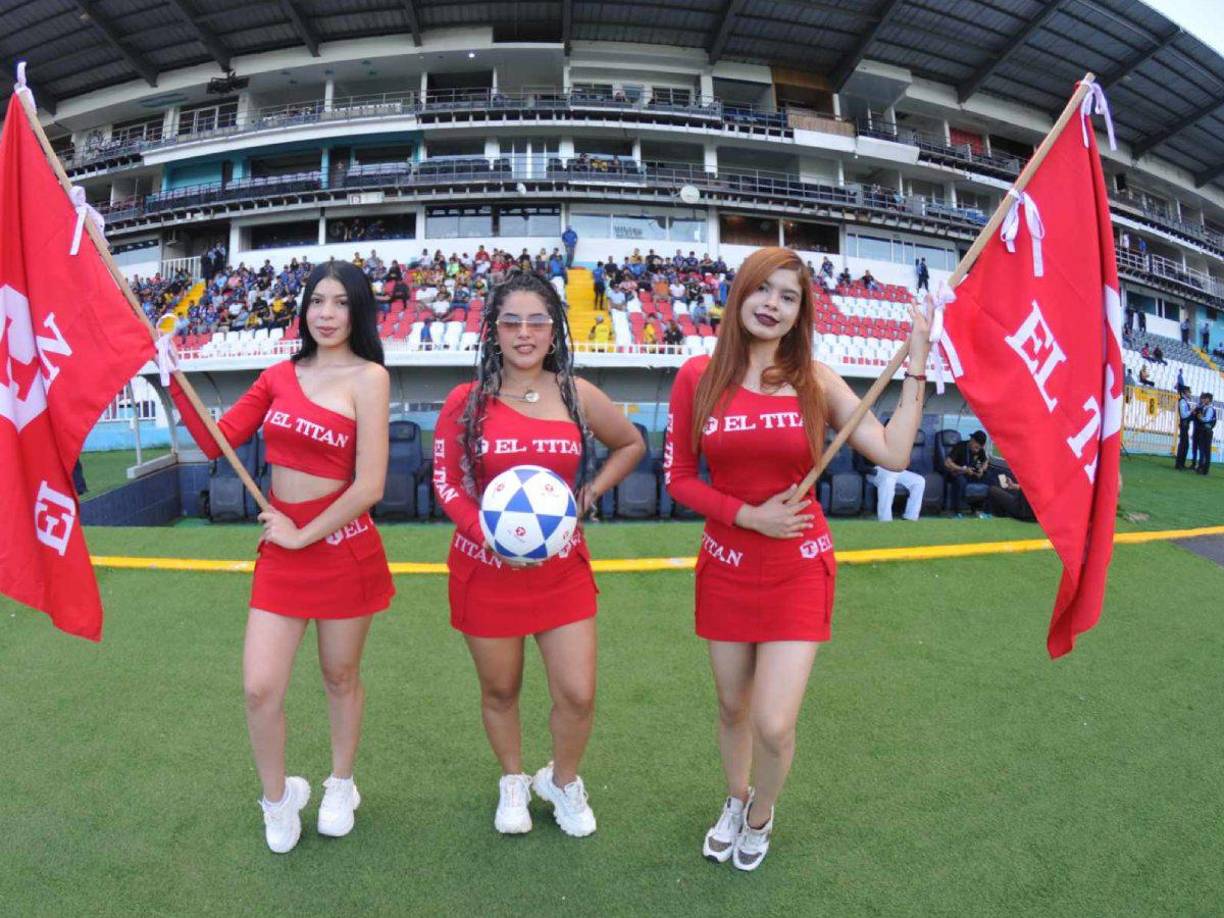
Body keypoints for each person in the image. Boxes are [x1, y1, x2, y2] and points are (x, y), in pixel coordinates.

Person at [663, 247, 931, 871]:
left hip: (798, 567)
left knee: (774, 724)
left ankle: (760, 813)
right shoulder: (696, 376)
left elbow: (892, 453)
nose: (772, 305)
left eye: (788, 296)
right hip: (727, 561)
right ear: (741, 296)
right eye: (763, 290)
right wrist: (747, 515)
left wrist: (916, 361)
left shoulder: (816, 378)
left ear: (800, 311)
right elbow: (678, 478)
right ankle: (734, 799)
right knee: (732, 707)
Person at [168, 261, 393, 853]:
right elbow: (216, 441)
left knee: (340, 677)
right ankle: (278, 798)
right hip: (285, 557)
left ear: (357, 311)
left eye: (340, 303)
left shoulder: (370, 378)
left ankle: (341, 783)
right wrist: (171, 376)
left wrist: (301, 532)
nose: (325, 314)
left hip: (342, 550)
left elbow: (370, 485)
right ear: (304, 309)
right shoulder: (278, 374)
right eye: (317, 301)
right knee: (260, 688)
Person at [432, 272, 643, 838]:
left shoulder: (577, 394)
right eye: (511, 322)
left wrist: (591, 493)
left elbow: (631, 444)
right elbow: (447, 484)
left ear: (554, 331)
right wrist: (488, 535)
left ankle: (563, 780)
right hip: (486, 568)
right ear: (493, 331)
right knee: (501, 690)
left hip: (562, 569)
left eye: (537, 321)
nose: (524, 333)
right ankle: (513, 778)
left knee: (577, 693)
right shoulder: (466, 401)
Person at [944, 430, 988, 513]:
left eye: (979, 448)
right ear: (972, 440)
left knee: (988, 476)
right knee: (961, 481)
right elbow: (947, 463)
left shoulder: (980, 450)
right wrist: (963, 469)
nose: (977, 451)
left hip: (971, 473)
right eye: (976, 447)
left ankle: (978, 509)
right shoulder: (960, 446)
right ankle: (958, 511)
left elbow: (985, 461)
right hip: (957, 472)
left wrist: (981, 469)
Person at [1192, 393, 1216, 475]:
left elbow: (1206, 419)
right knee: (1202, 450)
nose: (1203, 400)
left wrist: (1200, 417)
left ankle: (1205, 470)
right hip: (1204, 431)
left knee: (1206, 451)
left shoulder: (1210, 409)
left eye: (1205, 398)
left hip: (1207, 431)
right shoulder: (1205, 407)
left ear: (1208, 399)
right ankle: (1201, 467)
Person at [1176, 385, 1196, 470]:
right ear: (1184, 392)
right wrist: (1191, 411)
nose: (1190, 393)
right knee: (1183, 445)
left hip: (1185, 425)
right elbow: (1184, 415)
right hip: (1184, 425)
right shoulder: (1182, 401)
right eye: (1189, 392)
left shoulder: (1184, 401)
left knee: (1185, 445)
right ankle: (1179, 464)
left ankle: (1181, 464)